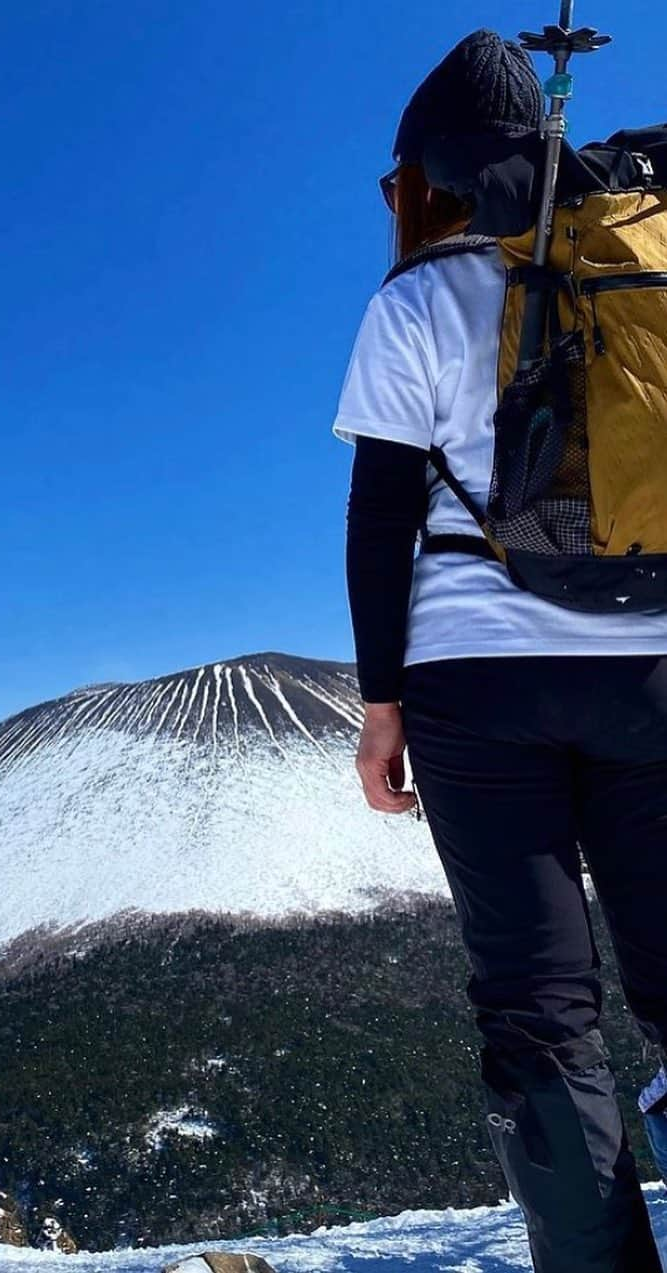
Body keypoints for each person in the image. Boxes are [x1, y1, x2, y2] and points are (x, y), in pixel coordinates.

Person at [334, 28, 667, 1273]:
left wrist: (381, 707)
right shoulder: (642, 270)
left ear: (433, 175)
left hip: (478, 685)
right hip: (650, 665)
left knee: (538, 1013)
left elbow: (380, 515)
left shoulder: (418, 298)